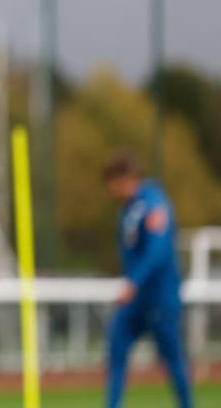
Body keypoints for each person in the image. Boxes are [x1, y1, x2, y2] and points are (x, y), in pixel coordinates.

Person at [103, 153, 193, 408]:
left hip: (159, 297)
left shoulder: (154, 203)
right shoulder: (127, 210)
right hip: (135, 301)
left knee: (173, 358)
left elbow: (158, 251)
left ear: (125, 179)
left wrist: (134, 283)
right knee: (116, 352)